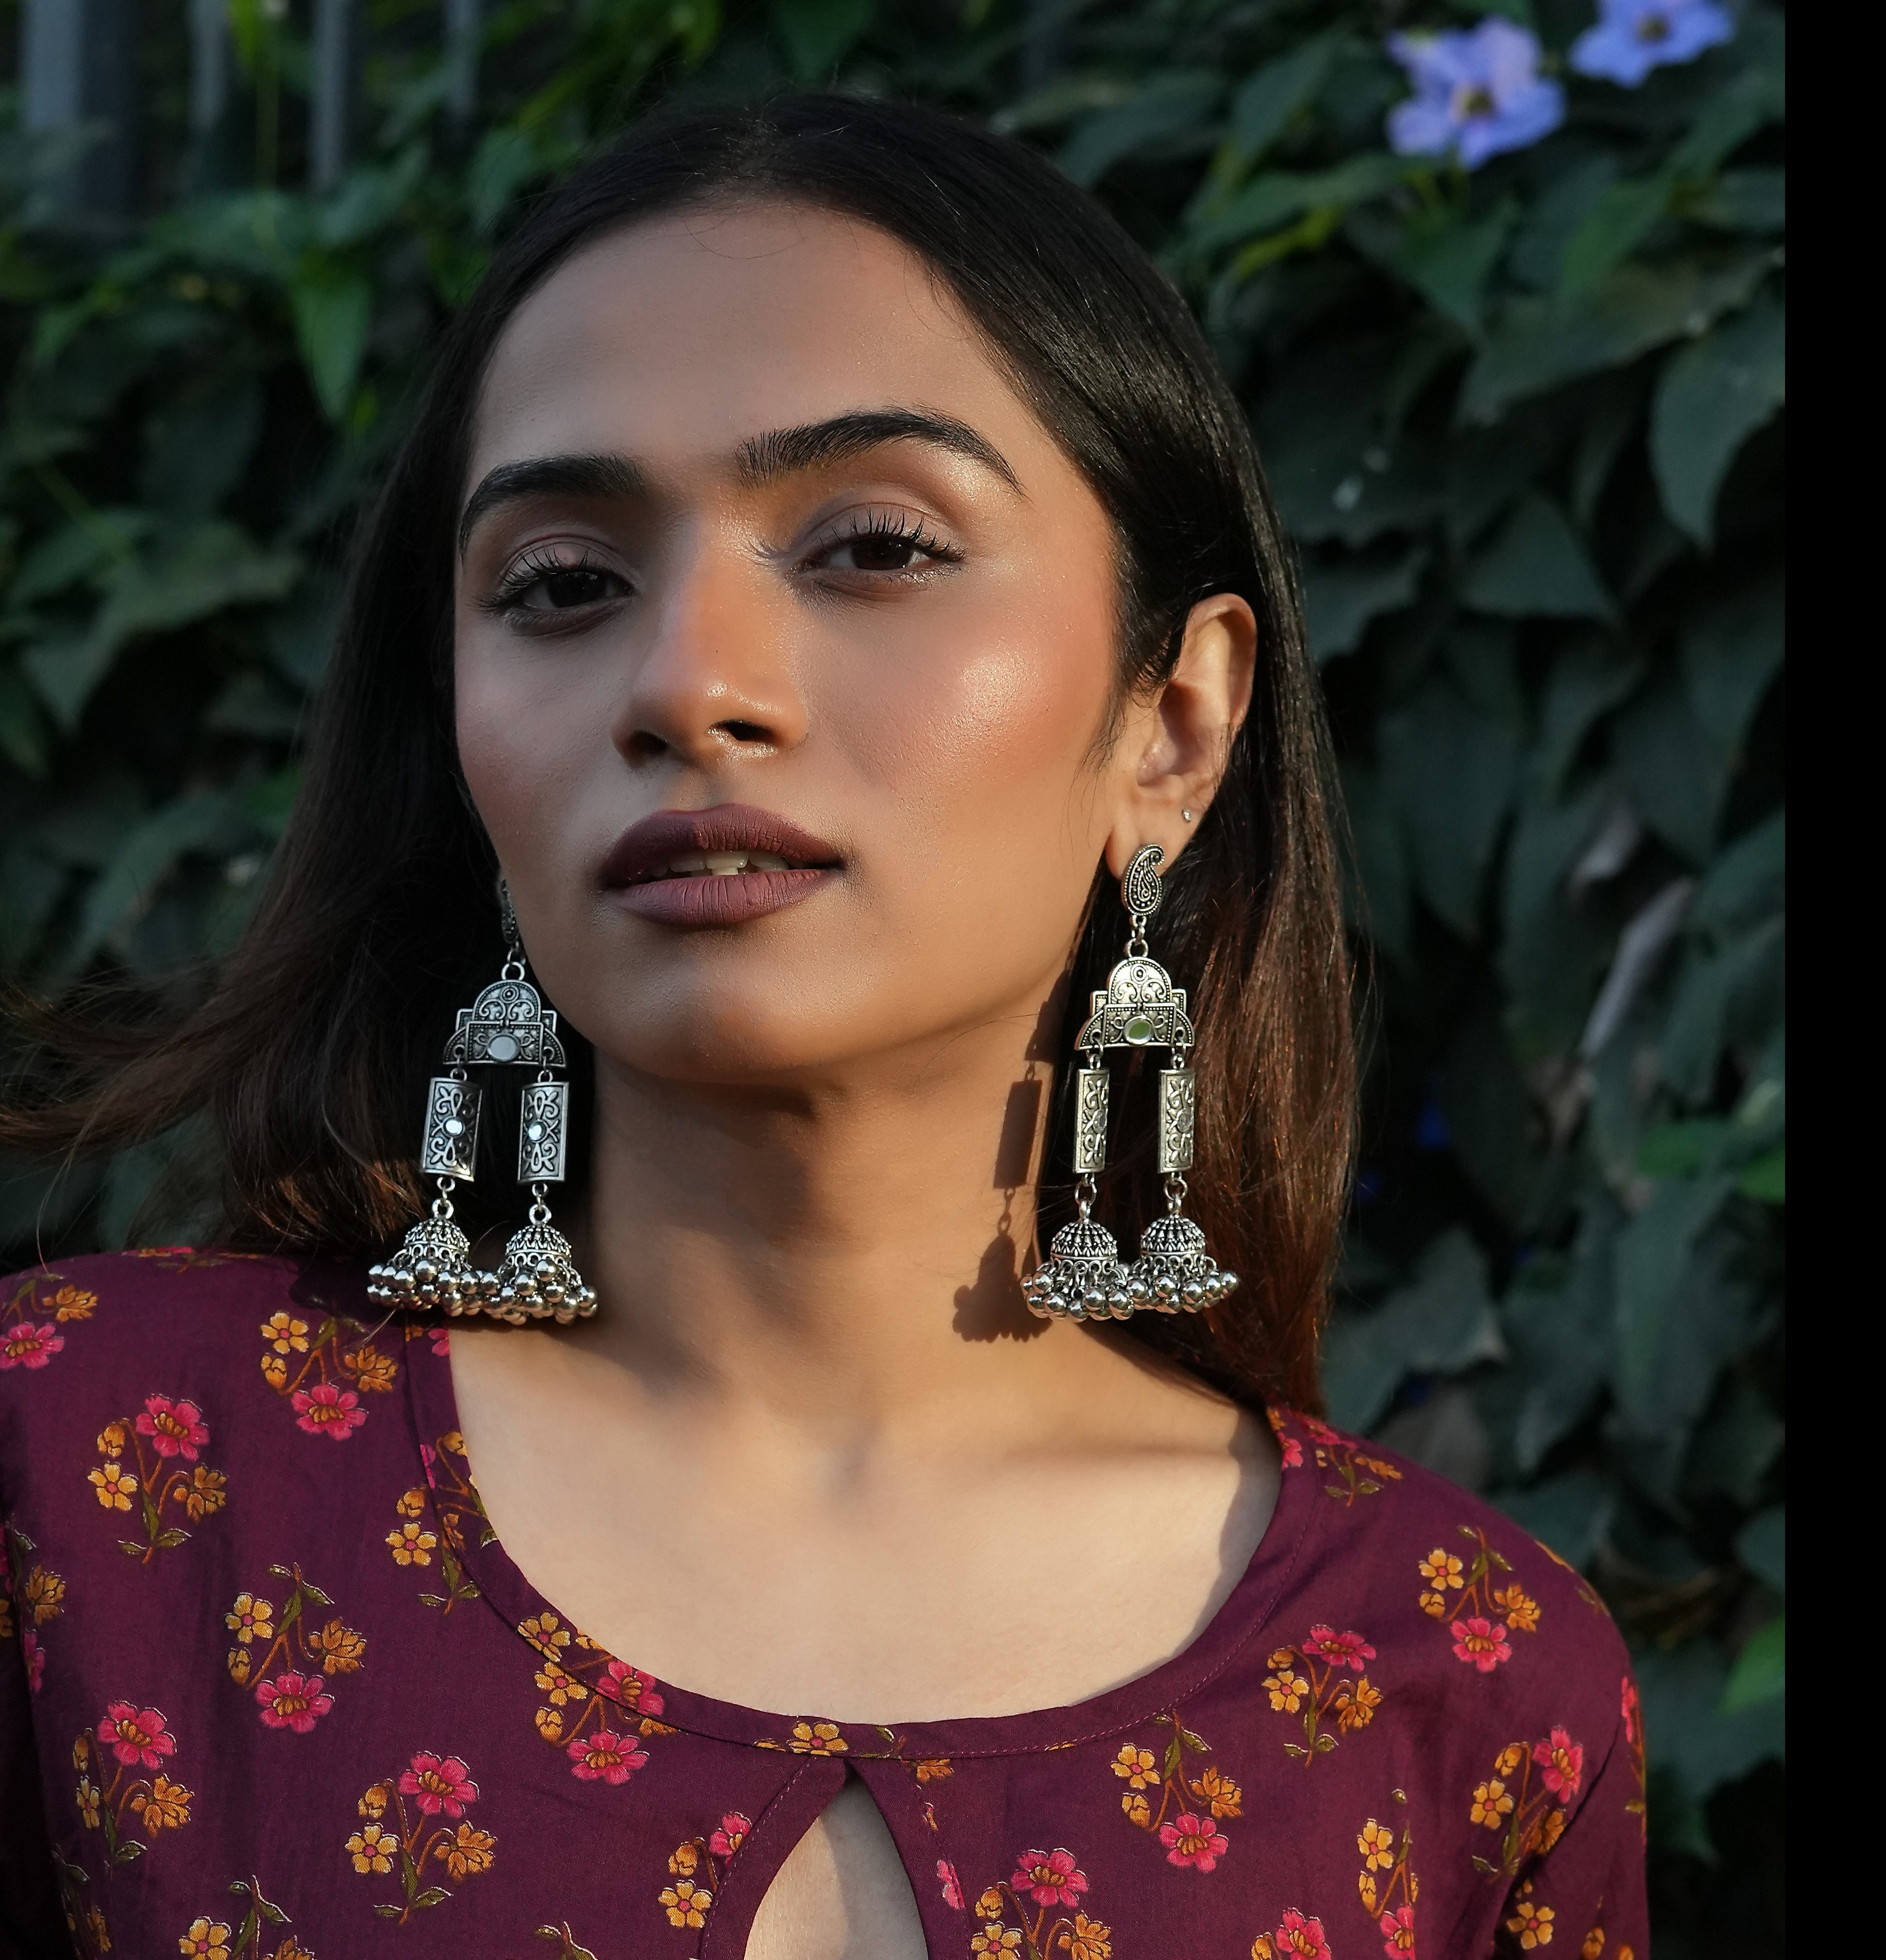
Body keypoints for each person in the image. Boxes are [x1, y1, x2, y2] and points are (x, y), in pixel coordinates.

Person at [0, 96, 1645, 1960]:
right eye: (560, 586)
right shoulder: (97, 1477)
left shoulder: (1459, 1677)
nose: (690, 681)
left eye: (872, 547)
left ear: (1174, 723)